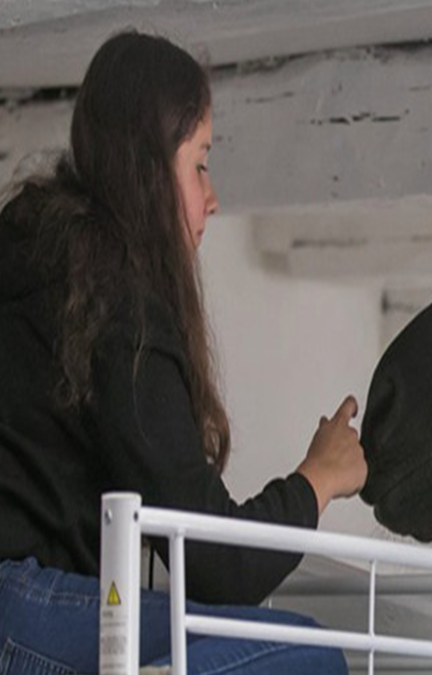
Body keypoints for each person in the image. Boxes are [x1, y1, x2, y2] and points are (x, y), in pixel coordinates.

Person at [0, 30, 367, 673]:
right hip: (21, 609)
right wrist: (320, 478)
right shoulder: (115, 302)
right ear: (147, 169)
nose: (213, 196)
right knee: (305, 657)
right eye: (199, 163)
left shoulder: (32, 252)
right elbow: (215, 562)